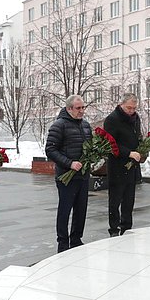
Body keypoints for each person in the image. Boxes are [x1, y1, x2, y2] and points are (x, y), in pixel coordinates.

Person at [45, 95, 93, 253]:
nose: (81, 111)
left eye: (83, 107)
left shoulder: (86, 126)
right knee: (65, 210)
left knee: (81, 209)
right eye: (78, 108)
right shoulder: (59, 125)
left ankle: (76, 239)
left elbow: (89, 147)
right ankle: (63, 243)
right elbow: (50, 150)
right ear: (69, 109)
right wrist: (69, 163)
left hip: (82, 176)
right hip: (66, 177)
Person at [103, 93, 143, 237]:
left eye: (134, 108)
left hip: (132, 165)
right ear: (121, 105)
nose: (132, 111)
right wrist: (128, 153)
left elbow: (138, 136)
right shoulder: (112, 119)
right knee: (115, 200)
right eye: (129, 108)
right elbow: (109, 144)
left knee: (129, 199)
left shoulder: (135, 118)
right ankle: (114, 229)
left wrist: (142, 149)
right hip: (117, 165)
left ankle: (127, 227)